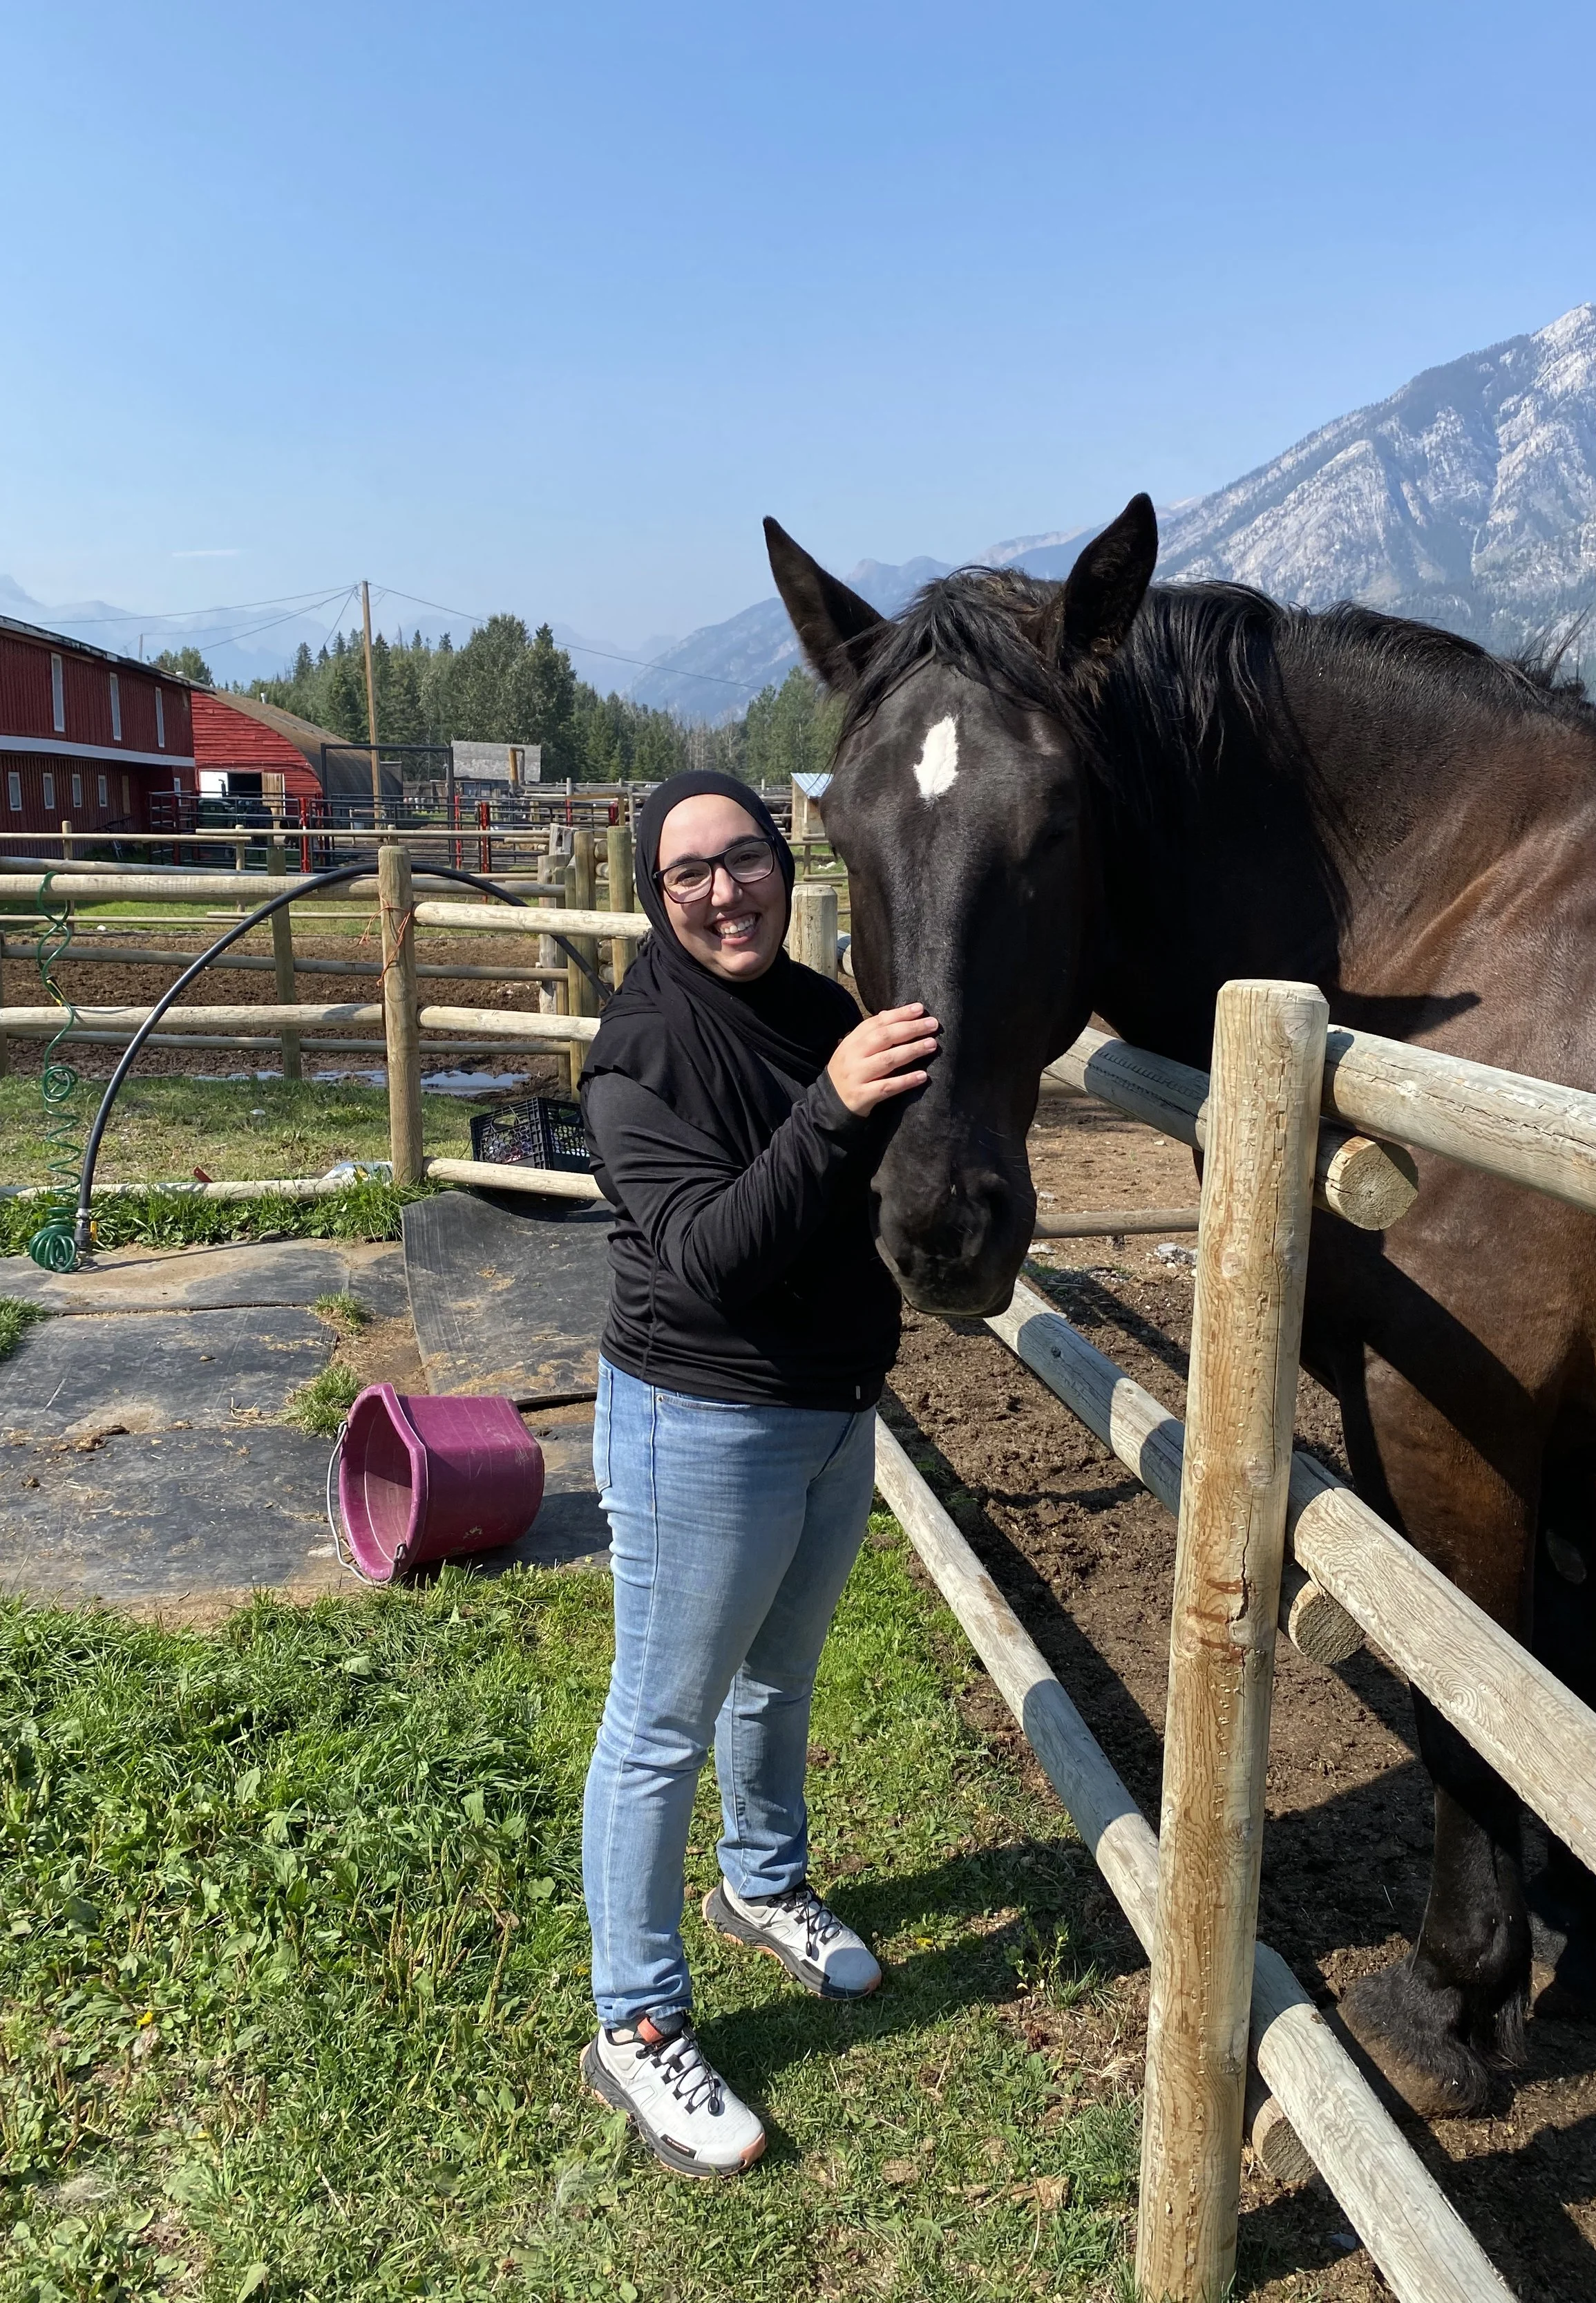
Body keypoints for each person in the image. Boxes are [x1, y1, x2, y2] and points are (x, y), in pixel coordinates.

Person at [577, 768, 938, 2178]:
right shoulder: (640, 1055)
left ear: (784, 864)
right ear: (654, 895)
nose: (725, 892)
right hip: (703, 1421)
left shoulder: (817, 1006)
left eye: (746, 859)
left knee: (778, 1677)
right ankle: (636, 2023)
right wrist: (834, 1108)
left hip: (834, 1410)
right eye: (690, 874)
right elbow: (714, 1257)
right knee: (659, 1724)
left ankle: (761, 1884)